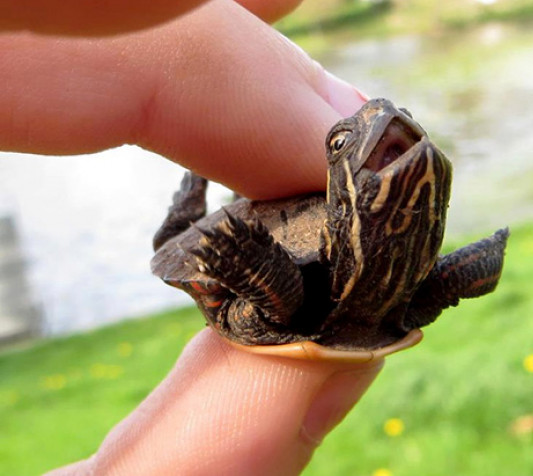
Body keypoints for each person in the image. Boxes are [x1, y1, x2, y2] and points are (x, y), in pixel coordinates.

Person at [2, 1, 379, 474]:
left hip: (291, 275)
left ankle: (201, 211)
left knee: (283, 280)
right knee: (268, 284)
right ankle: (195, 212)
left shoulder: (380, 260)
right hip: (266, 289)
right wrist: (241, 254)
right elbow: (290, 296)